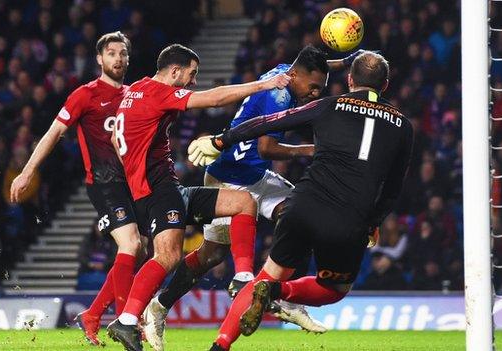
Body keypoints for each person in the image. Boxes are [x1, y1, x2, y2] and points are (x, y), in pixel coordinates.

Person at [187, 51, 414, 350]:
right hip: (349, 219)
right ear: (385, 85)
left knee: (264, 275)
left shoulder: (327, 105)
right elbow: (393, 187)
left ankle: (221, 344)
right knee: (334, 288)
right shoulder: (404, 127)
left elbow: (264, 123)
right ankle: (277, 291)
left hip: (302, 205)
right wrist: (373, 221)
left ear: (349, 80)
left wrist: (220, 141)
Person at [142, 46, 365, 348]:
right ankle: (160, 306)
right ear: (297, 77)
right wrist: (313, 150)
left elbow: (313, 62)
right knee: (212, 255)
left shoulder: (285, 73)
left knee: (299, 214)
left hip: (255, 176)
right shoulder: (278, 96)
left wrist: (346, 62)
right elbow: (267, 149)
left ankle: (281, 296)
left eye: (320, 89)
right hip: (229, 178)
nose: (314, 94)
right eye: (313, 87)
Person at [105, 43, 291, 351]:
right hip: (157, 191)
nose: (193, 81)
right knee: (166, 257)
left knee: (244, 202)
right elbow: (214, 98)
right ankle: (126, 322)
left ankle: (243, 277)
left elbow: (114, 138)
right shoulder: (157, 92)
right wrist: (265, 84)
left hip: (165, 188)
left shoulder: (135, 89)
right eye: (192, 74)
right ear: (174, 71)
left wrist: (136, 165)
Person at [9, 31, 144, 346]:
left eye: (123, 53)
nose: (119, 59)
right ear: (99, 59)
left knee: (139, 251)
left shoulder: (133, 94)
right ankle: (127, 324)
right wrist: (27, 171)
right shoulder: (85, 95)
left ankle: (93, 315)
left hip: (132, 183)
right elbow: (55, 132)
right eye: (112, 53)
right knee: (130, 244)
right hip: (103, 182)